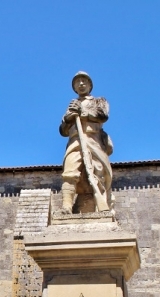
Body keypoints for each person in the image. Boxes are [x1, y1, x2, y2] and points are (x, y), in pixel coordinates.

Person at [59, 71, 114, 213]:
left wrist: (82, 112)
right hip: (75, 141)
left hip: (93, 140)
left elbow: (103, 115)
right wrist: (68, 119)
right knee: (69, 173)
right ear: (74, 87)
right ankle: (66, 207)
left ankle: (100, 208)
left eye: (84, 81)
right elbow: (63, 131)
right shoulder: (71, 105)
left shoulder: (98, 101)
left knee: (98, 173)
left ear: (90, 85)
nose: (81, 84)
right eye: (78, 82)